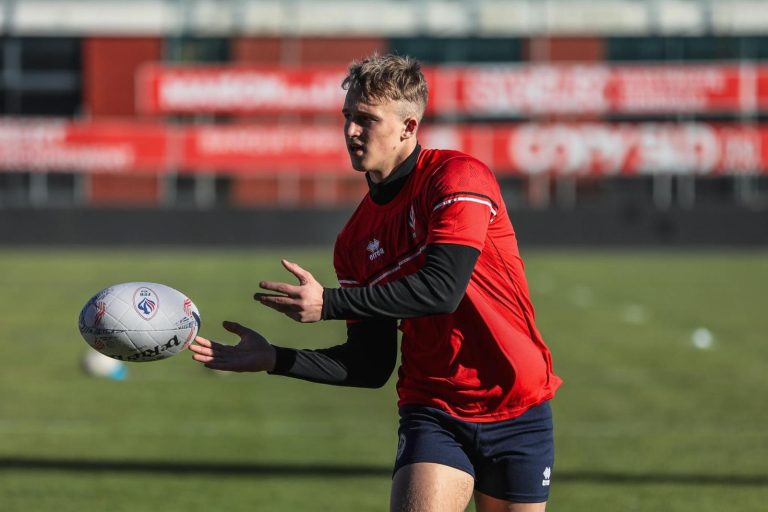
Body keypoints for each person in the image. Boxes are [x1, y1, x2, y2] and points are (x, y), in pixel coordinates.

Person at [190, 53, 562, 512]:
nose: (350, 131)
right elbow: (370, 365)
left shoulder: (458, 177)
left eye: (366, 119)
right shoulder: (353, 241)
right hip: (434, 407)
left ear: (408, 127)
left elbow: (442, 290)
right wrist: (273, 358)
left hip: (520, 403)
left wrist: (329, 304)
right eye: (347, 116)